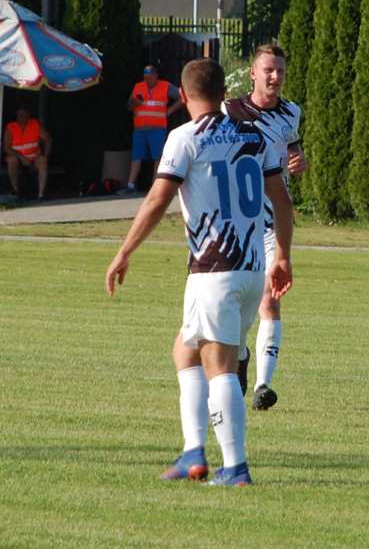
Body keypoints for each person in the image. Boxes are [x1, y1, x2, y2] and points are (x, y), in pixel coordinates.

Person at [105, 58, 295, 486]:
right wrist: (282, 256)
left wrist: (124, 252)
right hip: (252, 268)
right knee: (184, 350)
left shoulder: (185, 137)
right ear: (224, 94)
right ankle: (193, 451)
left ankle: (235, 467)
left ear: (183, 96)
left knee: (220, 365)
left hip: (214, 269)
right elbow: (282, 202)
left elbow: (157, 200)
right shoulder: (254, 134)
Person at [223, 44, 308, 410]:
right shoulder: (231, 112)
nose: (275, 77)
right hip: (240, 226)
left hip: (275, 223)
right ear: (252, 74)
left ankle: (263, 385)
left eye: (280, 72)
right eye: (268, 70)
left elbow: (294, 149)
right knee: (240, 306)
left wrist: (299, 161)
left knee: (270, 301)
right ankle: (240, 357)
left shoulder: (291, 112)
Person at [121, 65, 183, 194]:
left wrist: (169, 111)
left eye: (150, 77)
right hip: (139, 129)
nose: (147, 80)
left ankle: (155, 186)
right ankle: (131, 186)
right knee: (137, 157)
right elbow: (129, 107)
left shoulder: (165, 86)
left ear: (156, 76)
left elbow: (182, 98)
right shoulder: (138, 86)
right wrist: (134, 103)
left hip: (157, 128)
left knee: (158, 157)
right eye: (145, 78)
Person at [3, 107, 51, 201]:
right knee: (11, 160)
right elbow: (6, 147)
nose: (22, 116)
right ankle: (16, 191)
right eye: (19, 114)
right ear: (16, 116)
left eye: (24, 114)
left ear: (29, 115)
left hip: (34, 157)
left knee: (43, 160)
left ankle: (41, 195)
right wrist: (21, 157)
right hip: (18, 157)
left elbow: (48, 139)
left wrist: (45, 155)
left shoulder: (35, 124)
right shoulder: (11, 127)